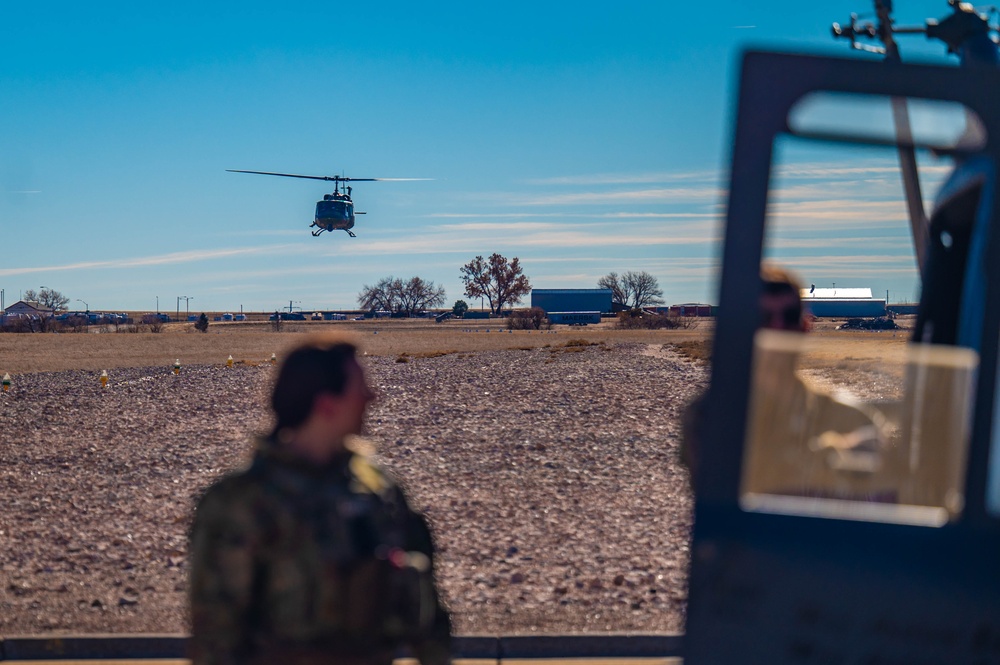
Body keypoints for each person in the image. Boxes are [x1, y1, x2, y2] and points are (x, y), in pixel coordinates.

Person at [189, 335, 452, 665]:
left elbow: (430, 619)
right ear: (326, 404)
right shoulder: (241, 502)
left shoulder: (379, 491)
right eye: (360, 390)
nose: (373, 397)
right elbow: (216, 636)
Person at [682, 265, 890, 499]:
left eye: (789, 317)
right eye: (764, 318)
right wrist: (832, 455)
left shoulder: (850, 417)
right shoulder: (710, 414)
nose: (778, 328)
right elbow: (726, 487)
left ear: (804, 328)